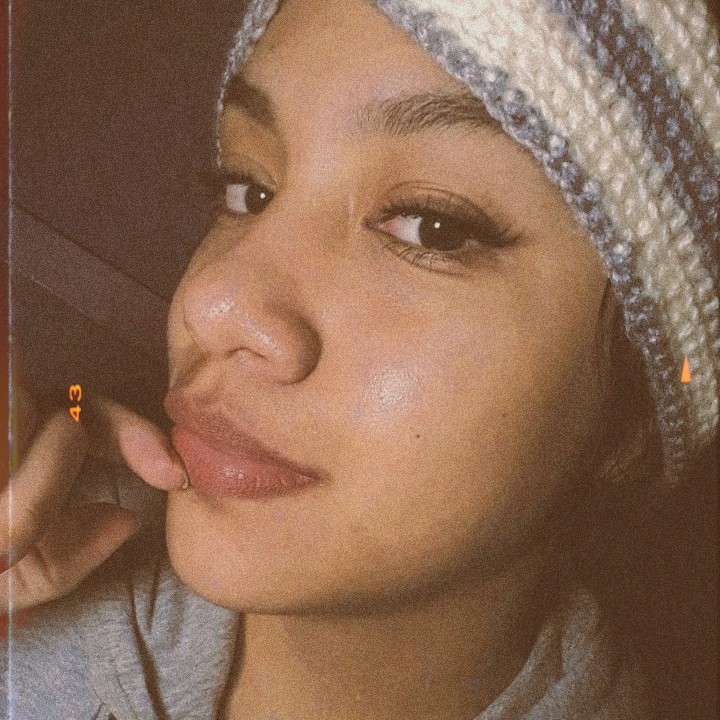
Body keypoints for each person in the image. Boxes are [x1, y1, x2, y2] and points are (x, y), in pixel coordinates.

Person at [2, 0, 718, 718]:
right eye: (248, 189)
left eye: (433, 228)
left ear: (628, 424)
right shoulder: (38, 560)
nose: (213, 303)